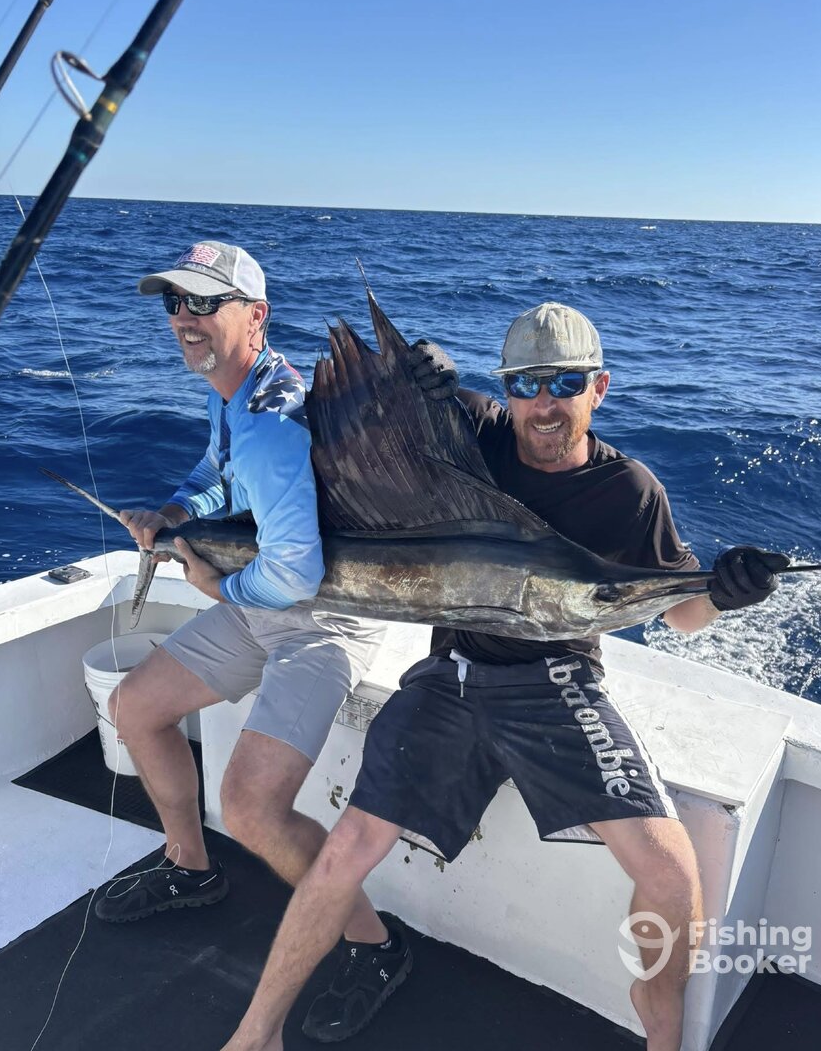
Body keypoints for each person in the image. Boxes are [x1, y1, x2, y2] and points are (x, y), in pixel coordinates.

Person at [220, 302, 789, 1051]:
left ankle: (658, 1006)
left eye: (565, 382)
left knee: (673, 878)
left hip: (558, 681)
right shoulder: (478, 434)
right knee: (345, 847)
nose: (544, 404)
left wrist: (717, 593)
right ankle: (255, 1036)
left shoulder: (629, 491)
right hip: (446, 678)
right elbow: (431, 404)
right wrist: (424, 377)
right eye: (526, 385)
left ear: (600, 387)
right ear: (508, 390)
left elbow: (673, 614)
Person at [94, 241, 413, 1037]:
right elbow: (216, 467)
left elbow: (298, 573)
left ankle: (374, 945)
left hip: (320, 618)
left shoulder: (272, 421)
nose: (183, 320)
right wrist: (174, 513)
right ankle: (188, 869)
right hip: (257, 599)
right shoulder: (232, 393)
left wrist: (218, 587)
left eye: (205, 303)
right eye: (175, 304)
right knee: (136, 709)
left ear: (255, 315)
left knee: (251, 808)